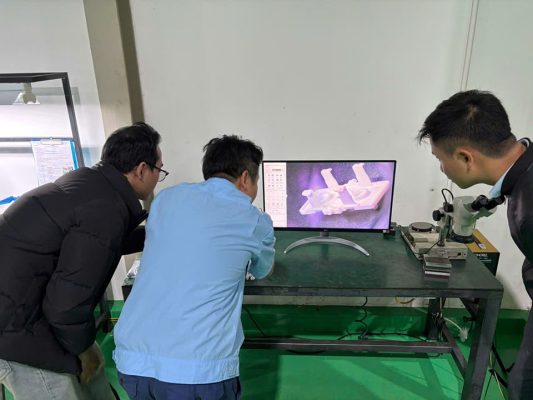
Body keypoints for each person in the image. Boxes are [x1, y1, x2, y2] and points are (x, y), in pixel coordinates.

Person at [0, 122, 166, 400]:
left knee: (94, 370)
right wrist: (82, 350)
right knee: (66, 384)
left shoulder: (91, 184)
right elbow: (66, 305)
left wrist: (158, 234)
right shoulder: (104, 209)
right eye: (159, 170)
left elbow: (100, 242)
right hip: (14, 327)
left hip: (29, 306)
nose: (159, 177)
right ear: (141, 170)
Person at [113, 135, 275, 400]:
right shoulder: (253, 219)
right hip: (198, 370)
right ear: (245, 178)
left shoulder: (165, 199)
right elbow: (262, 270)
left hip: (133, 361)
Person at [418, 90, 533, 399]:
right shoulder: (523, 176)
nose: (441, 169)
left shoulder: (528, 210)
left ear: (465, 158)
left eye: (440, 160)